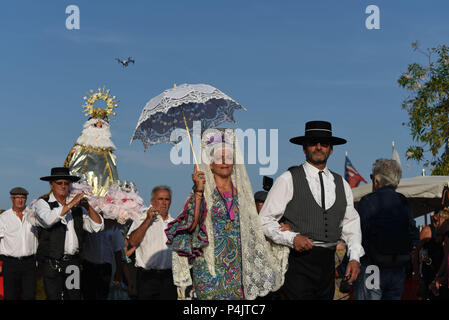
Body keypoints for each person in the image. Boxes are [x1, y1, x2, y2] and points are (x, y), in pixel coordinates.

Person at [166, 129, 289, 300]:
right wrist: (199, 192)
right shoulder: (202, 192)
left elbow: (254, 229)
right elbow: (190, 226)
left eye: (229, 158)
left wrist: (280, 230)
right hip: (210, 272)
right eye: (219, 158)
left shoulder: (243, 195)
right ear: (210, 163)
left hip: (238, 271)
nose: (225, 162)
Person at [260, 120, 364, 300]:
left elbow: (351, 224)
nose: (318, 147)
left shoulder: (342, 184)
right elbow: (264, 221)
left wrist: (354, 257)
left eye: (324, 144)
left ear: (331, 149)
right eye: (313, 143)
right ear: (304, 148)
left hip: (328, 263)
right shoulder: (288, 179)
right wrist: (292, 238)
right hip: (298, 262)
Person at [353, 159, 419, 300]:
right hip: (398, 268)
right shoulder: (404, 202)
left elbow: (359, 236)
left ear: (376, 180)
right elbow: (413, 234)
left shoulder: (368, 201)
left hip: (373, 267)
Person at [34, 167, 104, 300]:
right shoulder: (42, 204)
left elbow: (97, 227)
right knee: (53, 297)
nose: (63, 186)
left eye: (66, 183)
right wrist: (71, 204)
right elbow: (49, 220)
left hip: (73, 263)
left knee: (73, 297)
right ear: (51, 185)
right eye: (59, 183)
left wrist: (88, 206)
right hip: (52, 262)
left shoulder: (77, 208)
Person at [128, 186, 177, 300]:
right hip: (147, 277)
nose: (164, 203)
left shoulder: (174, 224)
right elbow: (132, 241)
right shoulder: (141, 219)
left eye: (167, 199)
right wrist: (147, 220)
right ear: (152, 202)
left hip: (169, 277)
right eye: (160, 199)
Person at [64, 109, 119, 196]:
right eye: (96, 124)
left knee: (105, 182)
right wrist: (74, 152)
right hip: (86, 168)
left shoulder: (105, 144)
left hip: (103, 170)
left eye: (101, 125)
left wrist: (112, 157)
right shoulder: (85, 141)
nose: (98, 126)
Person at [0, 187, 38, 300]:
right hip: (10, 263)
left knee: (29, 295)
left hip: (29, 262)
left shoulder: (33, 215)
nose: (20, 200)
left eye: (23, 198)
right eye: (17, 198)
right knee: (10, 296)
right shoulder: (3, 218)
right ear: (12, 199)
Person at [81, 218, 125, 300]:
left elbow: (118, 251)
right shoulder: (88, 223)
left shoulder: (114, 227)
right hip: (88, 265)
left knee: (103, 295)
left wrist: (118, 271)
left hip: (105, 267)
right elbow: (81, 240)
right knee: (88, 295)